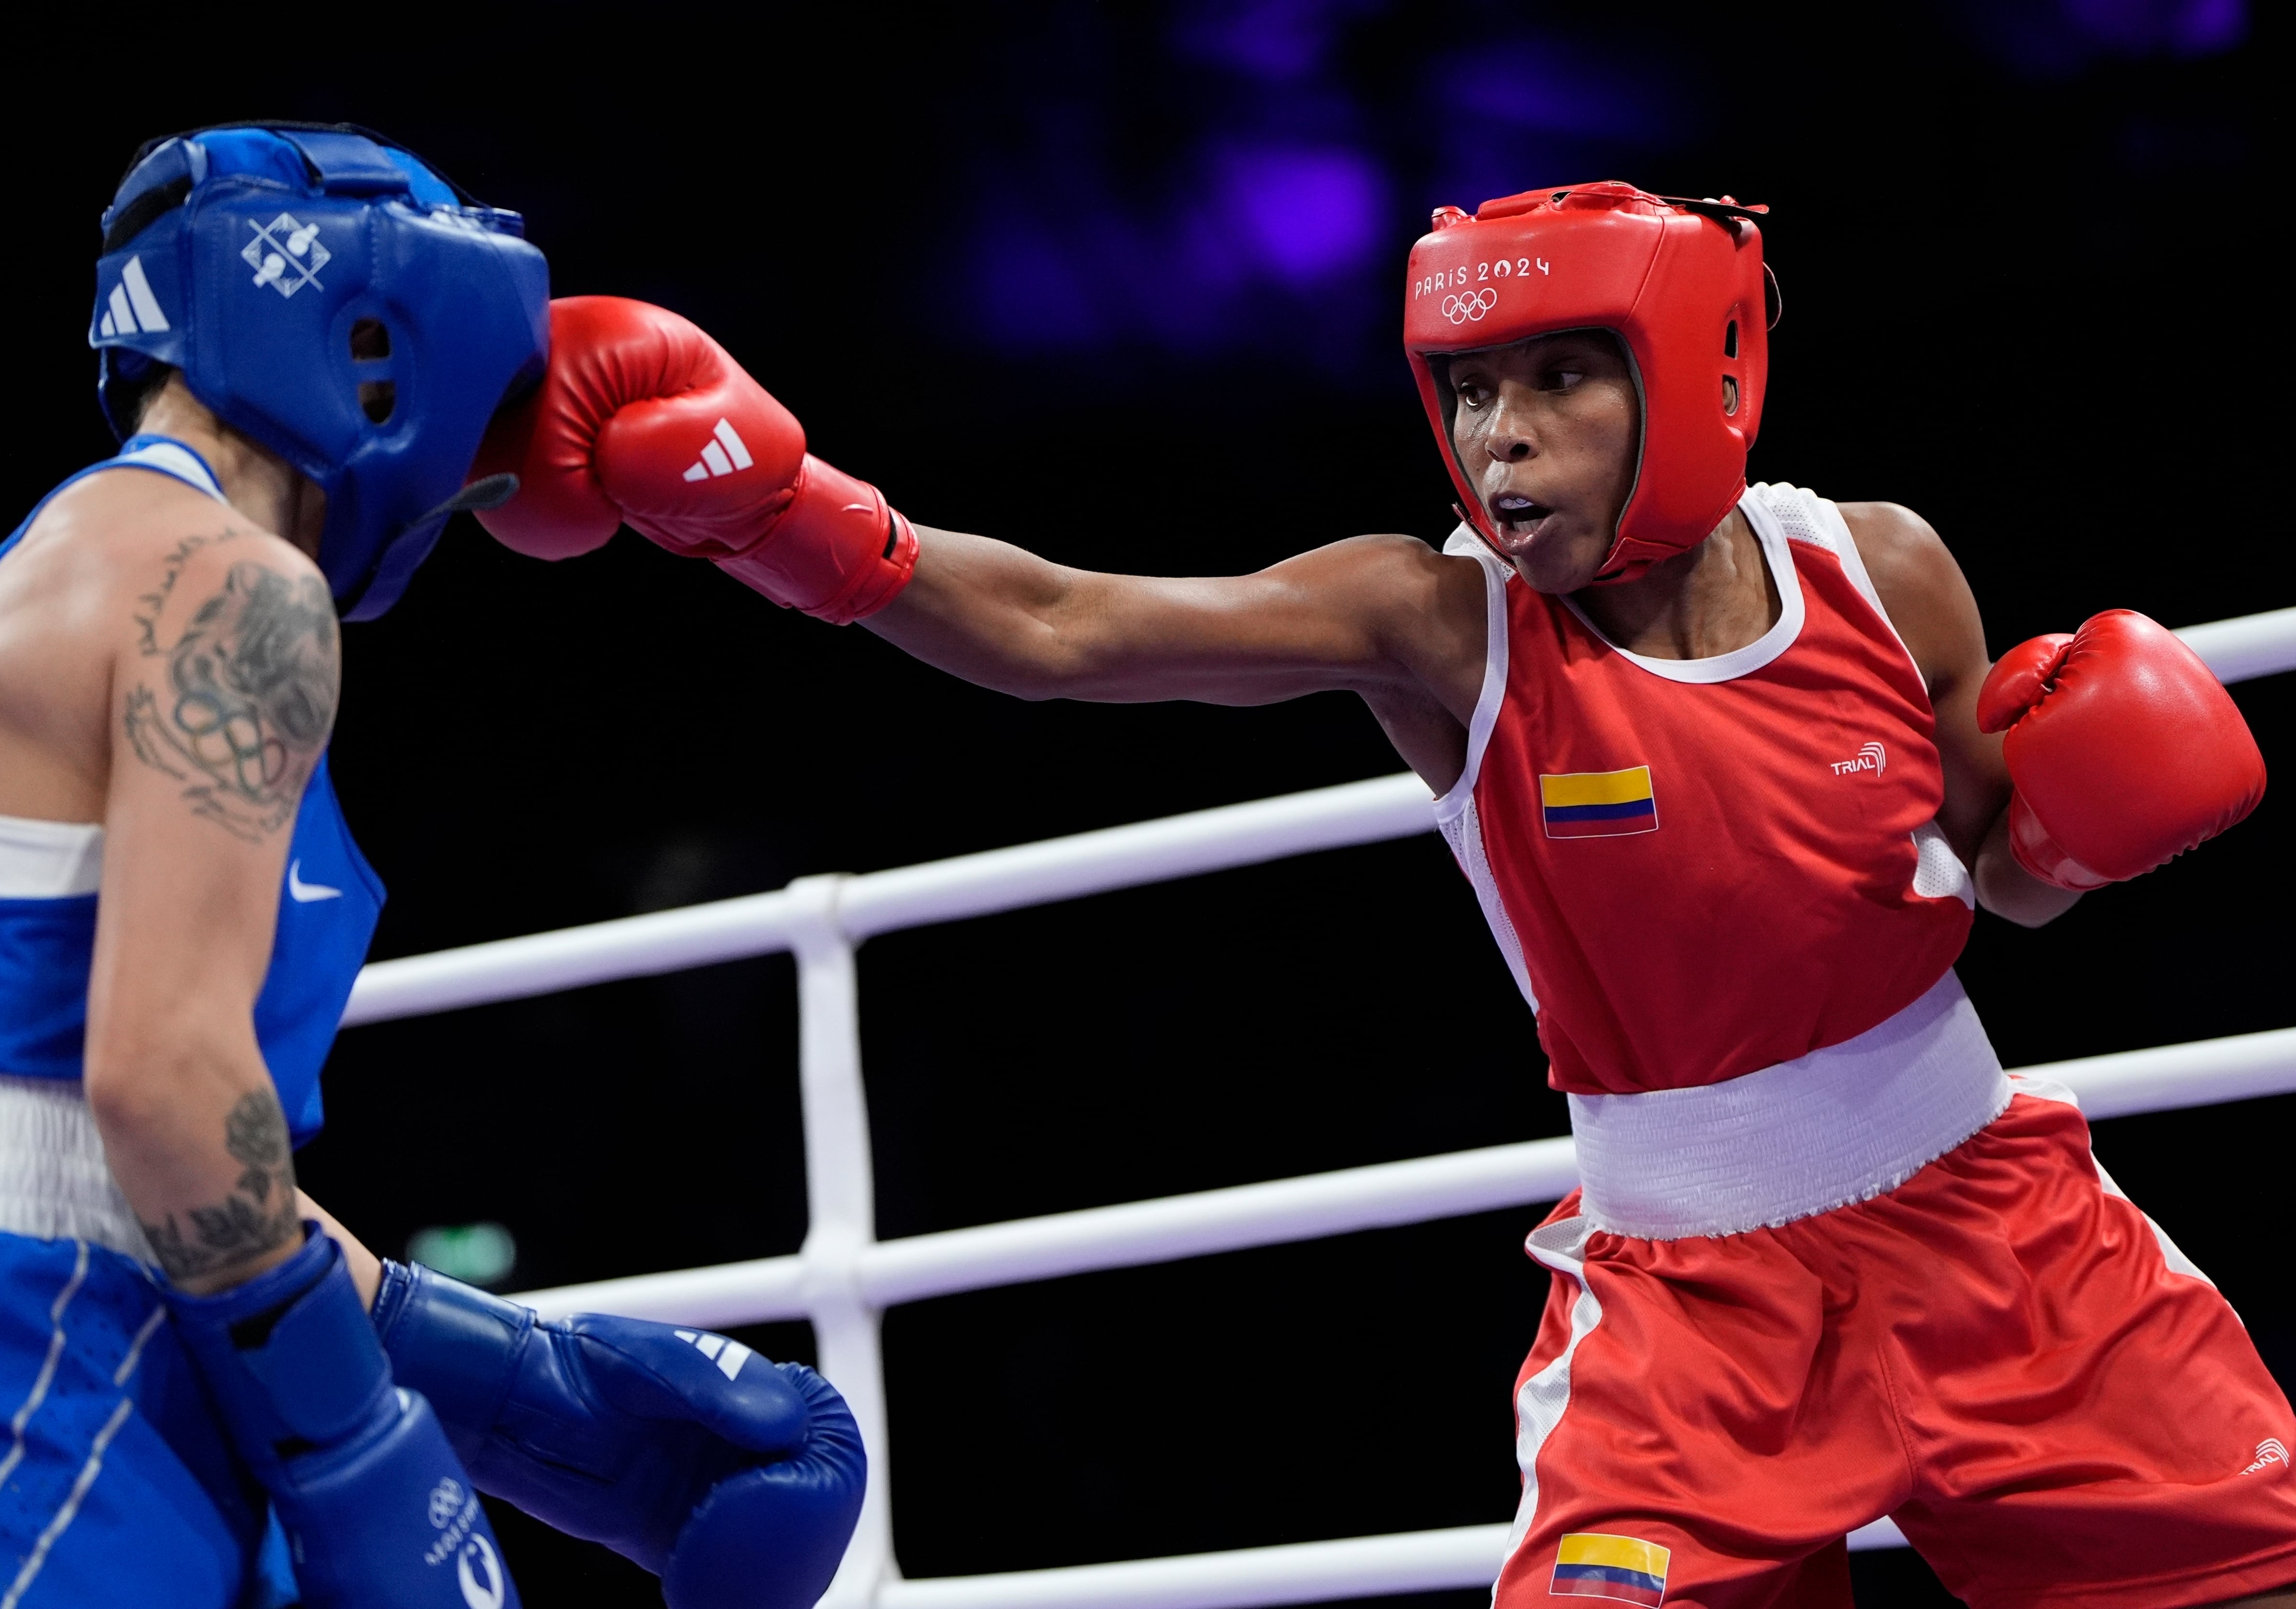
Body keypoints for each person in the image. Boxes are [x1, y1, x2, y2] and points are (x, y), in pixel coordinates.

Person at [466, 185, 2291, 1606]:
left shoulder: (1876, 568)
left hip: (2002, 1240)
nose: (1501, 438)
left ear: (1700, 370)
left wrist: (2066, 836)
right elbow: (1061, 629)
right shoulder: (1439, 624)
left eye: (1559, 377)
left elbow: (1995, 891)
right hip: (1692, 1315)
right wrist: (769, 509)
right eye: (1470, 391)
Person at [0, 123, 862, 1609]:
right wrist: (358, 1450)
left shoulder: (94, 557)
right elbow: (155, 1094)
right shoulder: (228, 584)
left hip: (78, 1331)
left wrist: (533, 1397)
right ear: (374, 332)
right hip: (41, 1359)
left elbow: (97, 1132)